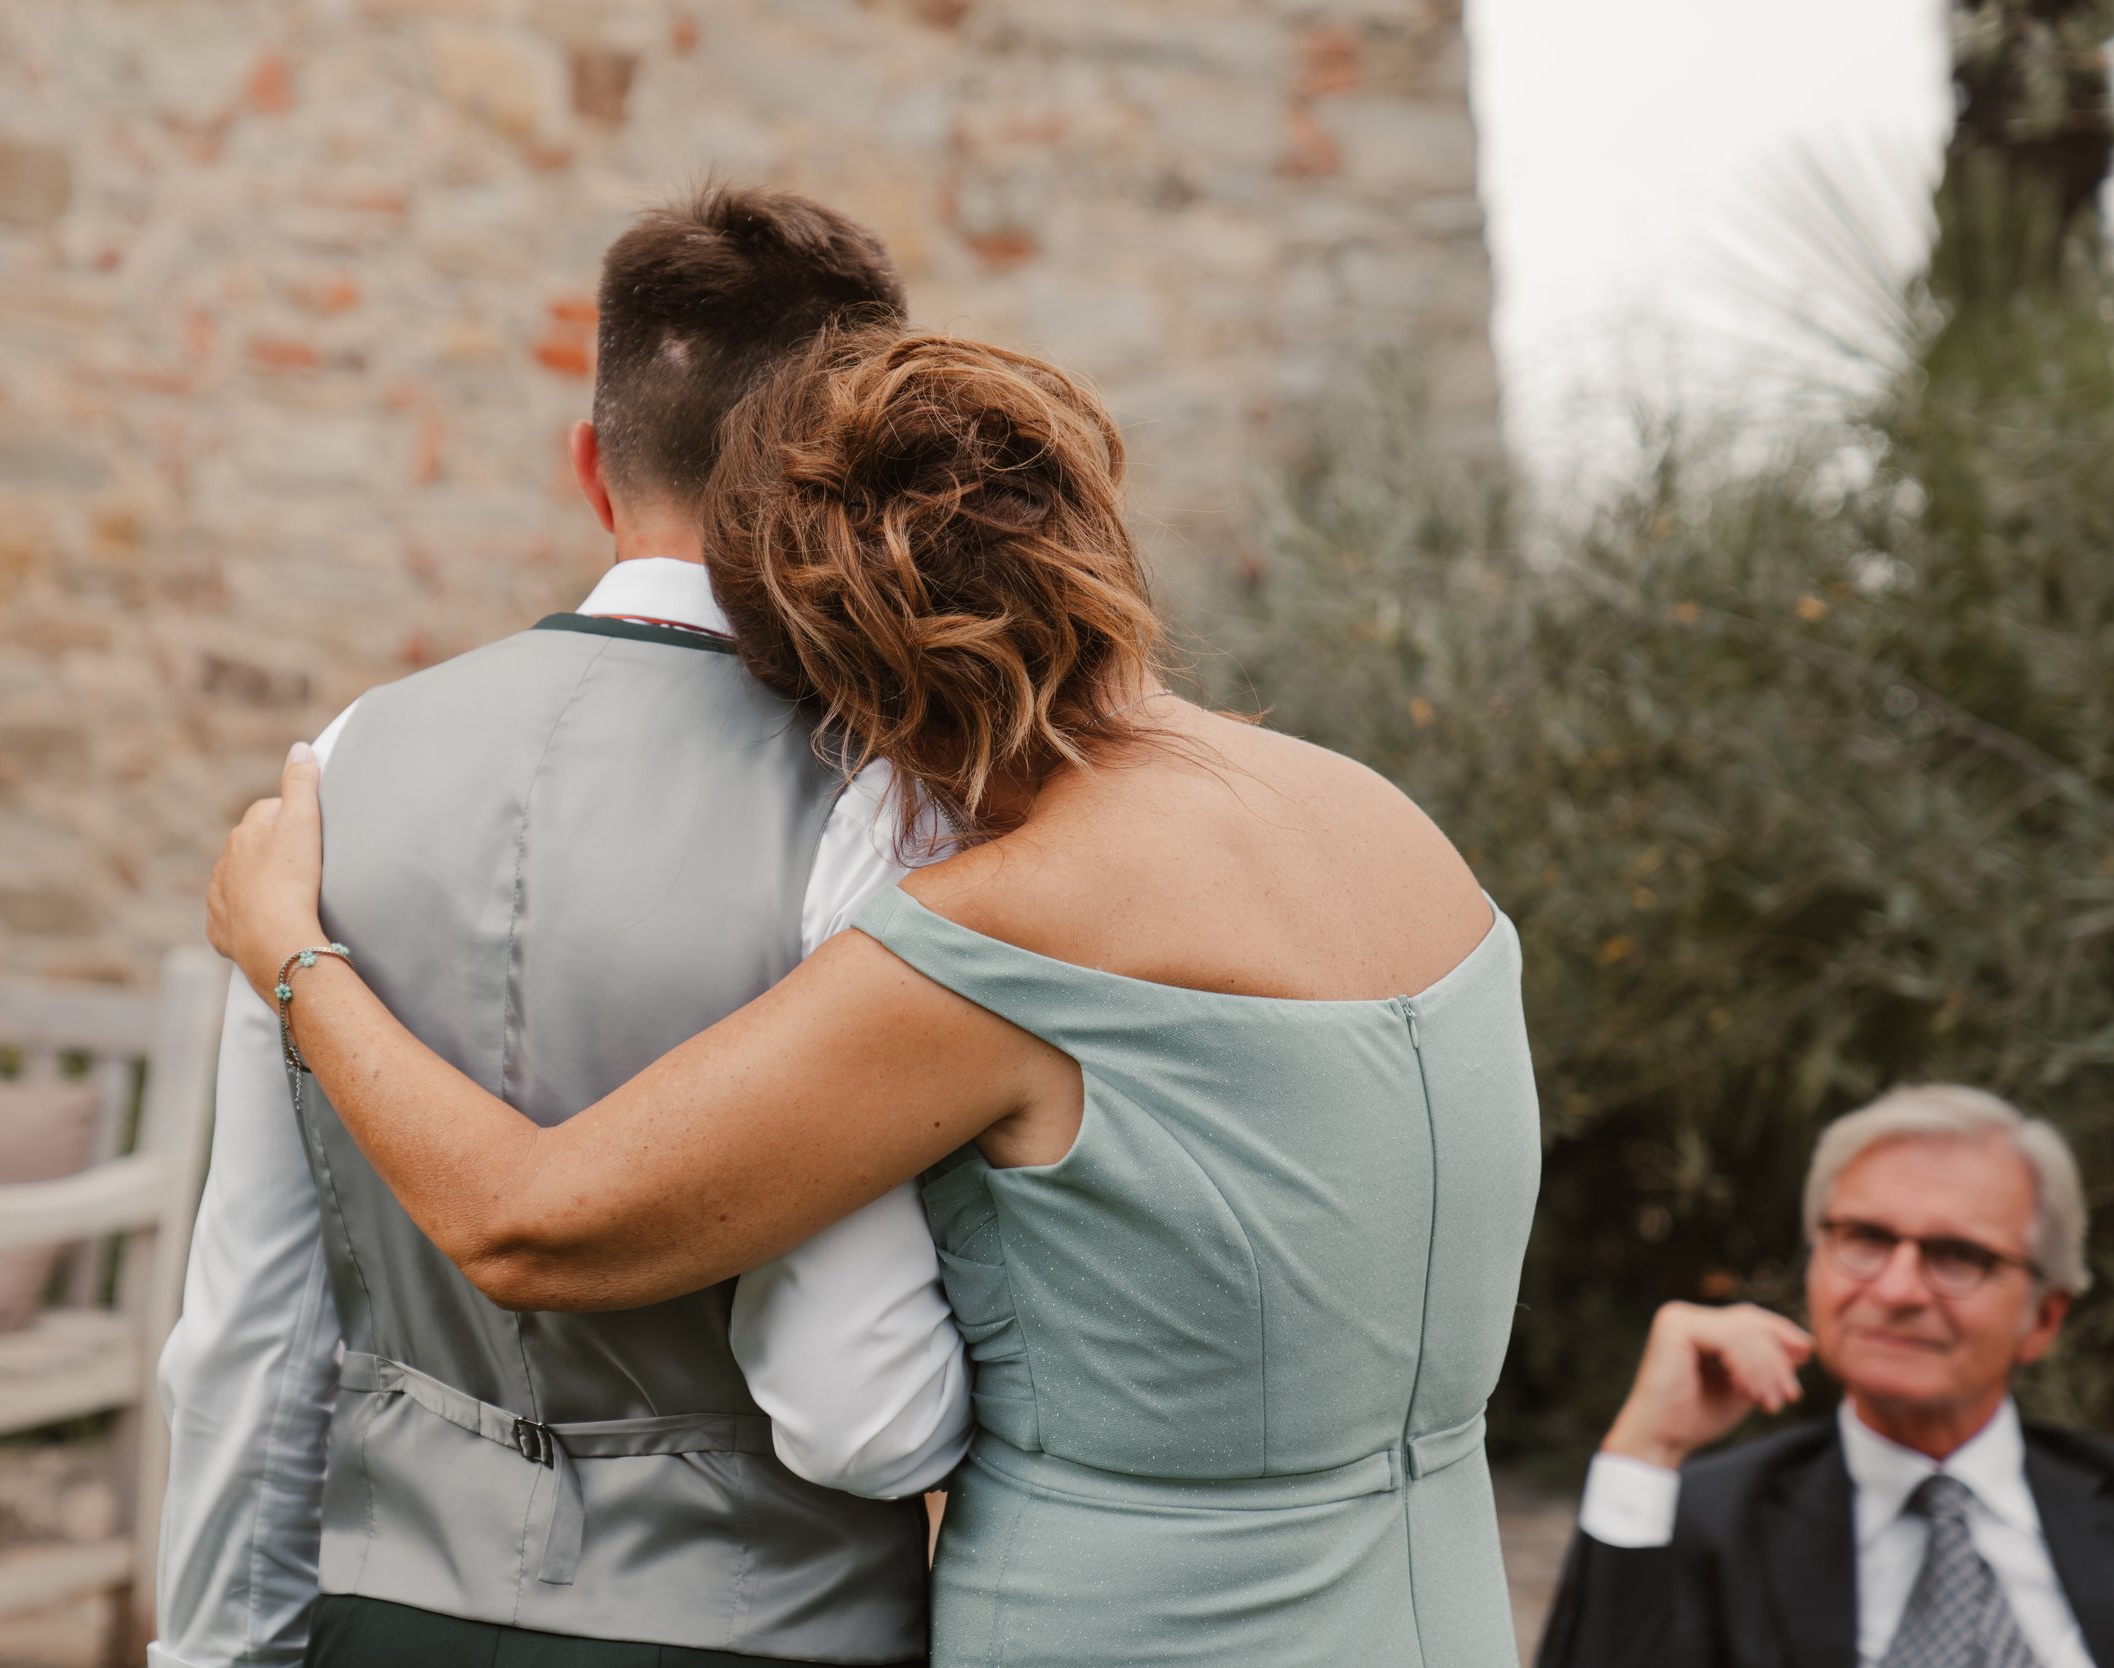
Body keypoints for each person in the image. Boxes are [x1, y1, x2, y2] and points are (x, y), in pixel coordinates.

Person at [207, 324, 1545, 1667]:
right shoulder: (1395, 831)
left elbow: (528, 1230)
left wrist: (292, 958)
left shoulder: (1009, 933)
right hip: (1442, 1610)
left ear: (857, 675)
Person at [151, 189, 975, 1668]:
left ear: (592, 462)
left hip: (387, 1613)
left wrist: (220, 1648)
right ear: (855, 466)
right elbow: (857, 1416)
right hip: (767, 1622)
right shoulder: (885, 803)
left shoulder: (340, 762)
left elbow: (252, 1316)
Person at [1536, 1084, 2112, 1668]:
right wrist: (1646, 1448)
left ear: (2042, 1318)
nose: (1896, 1290)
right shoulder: (1712, 1524)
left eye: (1958, 1255)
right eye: (1866, 1238)